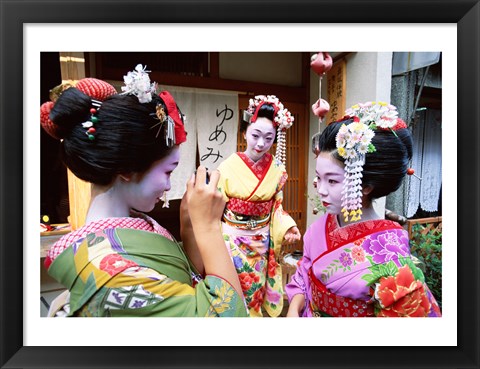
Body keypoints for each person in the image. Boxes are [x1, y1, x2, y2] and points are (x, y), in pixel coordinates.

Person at [42, 65, 247, 317]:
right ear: (128, 169)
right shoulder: (111, 273)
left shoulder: (133, 222)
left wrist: (190, 228)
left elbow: (180, 281)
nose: (169, 185)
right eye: (168, 172)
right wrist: (209, 228)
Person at [286, 101, 442, 317]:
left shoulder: (393, 259)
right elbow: (305, 271)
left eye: (332, 181)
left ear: (366, 186)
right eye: (319, 178)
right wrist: (294, 306)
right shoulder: (322, 226)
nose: (320, 190)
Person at [184, 95, 302, 317]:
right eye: (255, 135)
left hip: (261, 240)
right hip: (232, 238)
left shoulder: (277, 169)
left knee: (256, 287)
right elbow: (214, 208)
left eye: (268, 138)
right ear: (245, 131)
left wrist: (288, 226)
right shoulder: (228, 166)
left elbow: (277, 206)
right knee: (233, 284)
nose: (260, 143)